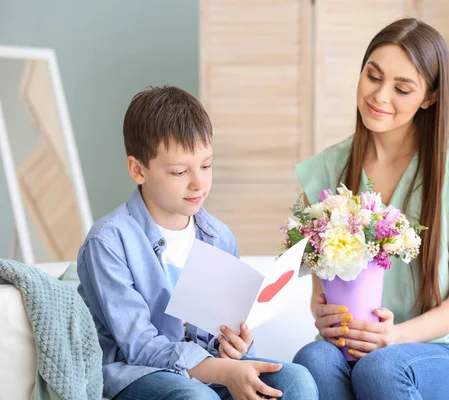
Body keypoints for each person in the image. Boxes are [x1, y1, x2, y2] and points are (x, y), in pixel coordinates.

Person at [292, 18, 449, 400]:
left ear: (430, 97)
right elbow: (320, 290)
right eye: (373, 76)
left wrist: (395, 336)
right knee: (313, 359)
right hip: (355, 349)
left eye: (402, 88)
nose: (380, 96)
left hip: (445, 353)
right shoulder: (326, 171)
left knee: (381, 367)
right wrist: (323, 316)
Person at [77, 86, 318, 400]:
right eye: (179, 171)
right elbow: (138, 346)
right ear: (138, 170)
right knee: (198, 398)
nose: (198, 183)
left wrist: (234, 344)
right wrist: (221, 370)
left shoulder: (218, 236)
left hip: (209, 371)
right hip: (137, 375)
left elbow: (219, 332)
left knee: (297, 381)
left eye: (206, 166)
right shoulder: (108, 243)